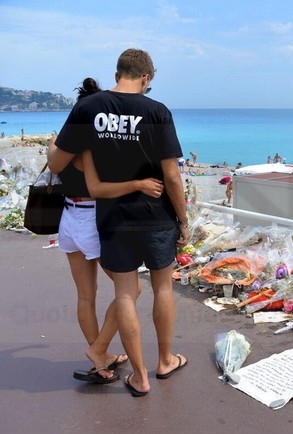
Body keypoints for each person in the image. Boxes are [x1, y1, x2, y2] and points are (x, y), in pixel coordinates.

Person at [49, 49, 189, 397]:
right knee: (163, 288)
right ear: (146, 78)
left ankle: (139, 377)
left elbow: (59, 162)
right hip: (155, 216)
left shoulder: (89, 108)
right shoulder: (157, 112)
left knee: (124, 294)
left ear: (117, 73)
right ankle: (165, 360)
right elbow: (171, 176)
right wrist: (183, 220)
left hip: (111, 218)